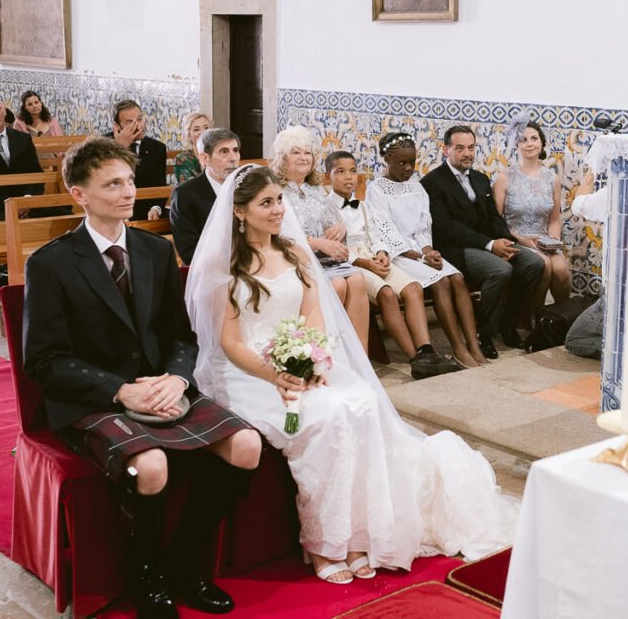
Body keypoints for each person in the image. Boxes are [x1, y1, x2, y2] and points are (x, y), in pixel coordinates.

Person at [185, 165, 515, 584]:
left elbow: (313, 316)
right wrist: (277, 375)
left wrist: (314, 360)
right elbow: (229, 343)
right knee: (325, 419)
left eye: (279, 200)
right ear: (239, 211)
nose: (276, 210)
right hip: (249, 373)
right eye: (265, 203)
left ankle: (359, 535)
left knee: (360, 401)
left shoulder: (294, 252)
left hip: (302, 361)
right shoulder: (225, 265)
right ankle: (324, 542)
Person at [24, 137, 262, 619]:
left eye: (130, 181)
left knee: (247, 445)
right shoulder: (50, 263)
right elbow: (45, 361)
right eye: (112, 183)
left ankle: (185, 564)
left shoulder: (155, 250)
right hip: (92, 398)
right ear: (79, 194)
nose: (128, 191)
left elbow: (182, 336)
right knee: (151, 466)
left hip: (160, 386)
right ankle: (147, 575)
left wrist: (176, 379)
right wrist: (118, 388)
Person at [327, 150, 459, 380]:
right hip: (353, 262)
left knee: (413, 288)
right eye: (340, 172)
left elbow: (376, 235)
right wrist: (367, 263)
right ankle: (415, 359)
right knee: (387, 294)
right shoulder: (326, 207)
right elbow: (336, 250)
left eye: (352, 171)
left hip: (373, 255)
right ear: (327, 175)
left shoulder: (363, 205)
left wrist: (382, 252)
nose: (348, 177)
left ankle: (426, 350)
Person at [367, 132, 490, 369]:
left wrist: (428, 251)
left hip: (420, 252)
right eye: (401, 163)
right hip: (399, 256)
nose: (408, 168)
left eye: (412, 162)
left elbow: (424, 227)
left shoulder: (417, 187)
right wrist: (421, 257)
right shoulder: (377, 189)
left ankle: (472, 345)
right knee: (441, 282)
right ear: (387, 160)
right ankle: (457, 347)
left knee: (456, 278)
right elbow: (387, 234)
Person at [421, 125, 544, 359]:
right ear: (446, 150)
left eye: (471, 147)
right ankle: (483, 333)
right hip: (455, 249)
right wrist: (490, 245)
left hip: (486, 243)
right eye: (460, 148)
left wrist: (505, 241)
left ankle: (508, 323)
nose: (467, 153)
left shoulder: (479, 178)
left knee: (533, 263)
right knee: (500, 270)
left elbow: (494, 217)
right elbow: (447, 229)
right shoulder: (433, 183)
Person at [270, 126, 369, 352]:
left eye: (308, 152)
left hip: (323, 259)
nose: (304, 157)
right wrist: (316, 243)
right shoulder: (275, 190)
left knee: (356, 279)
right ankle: (324, 353)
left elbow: (330, 222)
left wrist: (339, 227)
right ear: (283, 157)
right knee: (337, 284)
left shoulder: (314, 190)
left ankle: (360, 357)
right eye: (296, 152)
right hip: (292, 258)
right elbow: (276, 235)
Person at [493, 122, 571, 308]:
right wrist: (522, 240)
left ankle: (563, 320)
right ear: (516, 145)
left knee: (561, 270)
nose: (529, 143)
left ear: (541, 143)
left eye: (534, 138)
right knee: (544, 266)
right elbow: (496, 221)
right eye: (523, 139)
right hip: (516, 239)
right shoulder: (504, 178)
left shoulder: (552, 178)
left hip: (544, 240)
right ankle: (532, 316)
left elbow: (554, 219)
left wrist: (553, 240)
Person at [169, 128, 241, 264]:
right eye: (224, 152)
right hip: (207, 271)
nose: (233, 158)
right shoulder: (185, 195)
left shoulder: (246, 187)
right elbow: (189, 252)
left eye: (235, 150)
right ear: (205, 158)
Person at [0, 93, 46, 222]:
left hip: (26, 202)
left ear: (5, 111)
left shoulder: (23, 139)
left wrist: (27, 199)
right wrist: (11, 205)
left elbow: (36, 174)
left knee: (64, 214)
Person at [565, 169, 609, 359]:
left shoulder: (617, 191)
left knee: (575, 339)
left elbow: (577, 206)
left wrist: (591, 173)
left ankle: (627, 352)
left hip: (618, 294)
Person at [106, 100, 167, 220]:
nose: (139, 126)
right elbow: (103, 180)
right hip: (112, 210)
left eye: (140, 119)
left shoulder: (157, 148)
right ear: (117, 127)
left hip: (146, 212)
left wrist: (156, 208)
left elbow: (160, 185)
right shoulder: (102, 145)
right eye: (130, 122)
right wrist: (120, 148)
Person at [173, 112, 212, 186]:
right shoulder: (183, 158)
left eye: (206, 128)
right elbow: (188, 191)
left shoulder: (217, 154)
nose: (203, 132)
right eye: (196, 129)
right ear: (188, 135)